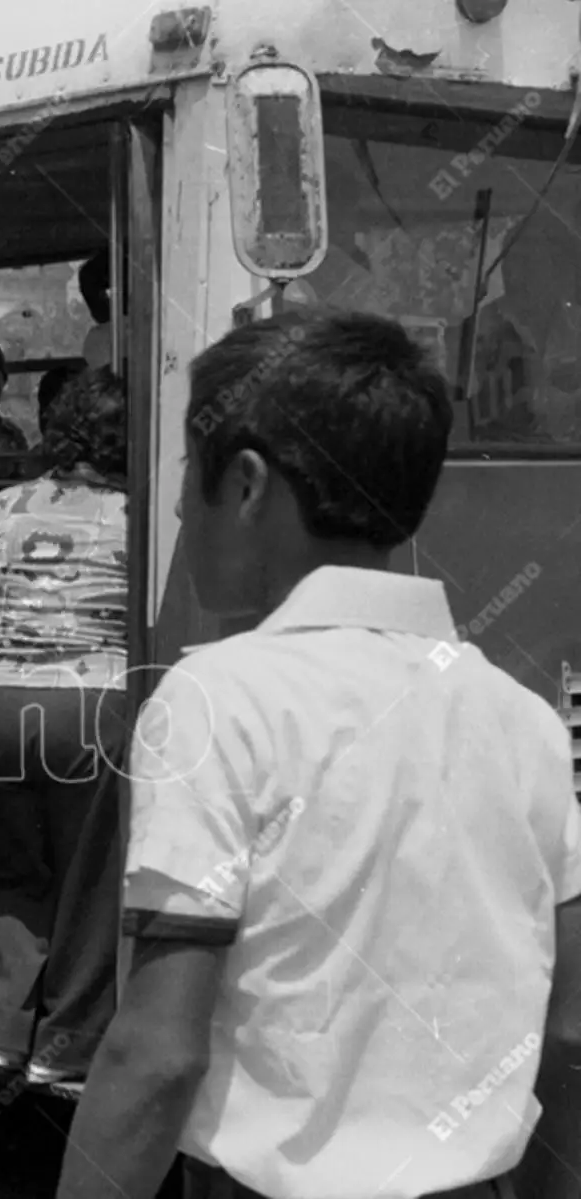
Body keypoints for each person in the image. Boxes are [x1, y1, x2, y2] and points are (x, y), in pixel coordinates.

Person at [55, 312, 581, 1199]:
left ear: (249, 484)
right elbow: (568, 1032)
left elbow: (157, 1054)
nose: (180, 504)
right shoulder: (521, 716)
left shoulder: (220, 698)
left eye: (189, 470)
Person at [0, 367, 131, 1089]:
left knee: (14, 868)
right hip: (90, 705)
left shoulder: (7, 502)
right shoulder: (136, 511)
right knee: (89, 881)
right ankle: (67, 1041)